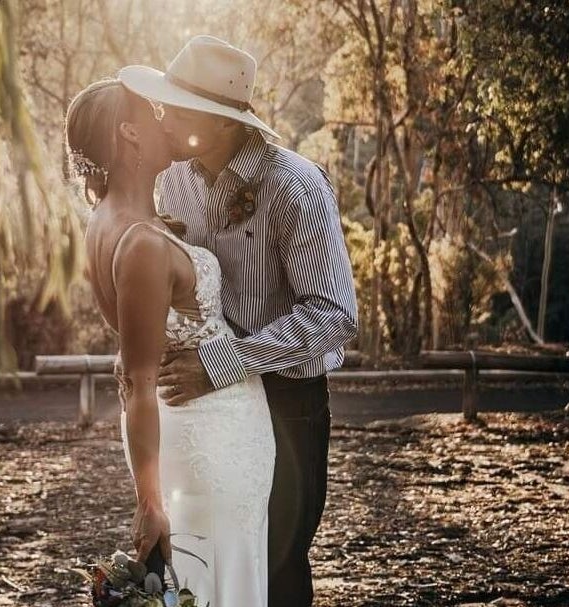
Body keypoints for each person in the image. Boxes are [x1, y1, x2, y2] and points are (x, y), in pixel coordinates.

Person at [119, 35, 358, 607]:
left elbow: (333, 316)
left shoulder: (294, 187)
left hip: (286, 404)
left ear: (222, 123)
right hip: (200, 415)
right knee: (203, 559)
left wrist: (223, 363)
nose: (163, 116)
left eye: (177, 106)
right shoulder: (173, 180)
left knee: (274, 566)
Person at [65, 77, 275, 606]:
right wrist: (150, 501)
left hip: (211, 437)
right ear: (130, 133)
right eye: (156, 112)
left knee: (209, 579)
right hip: (207, 442)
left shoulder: (109, 221)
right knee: (212, 581)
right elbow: (137, 379)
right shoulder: (140, 243)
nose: (169, 119)